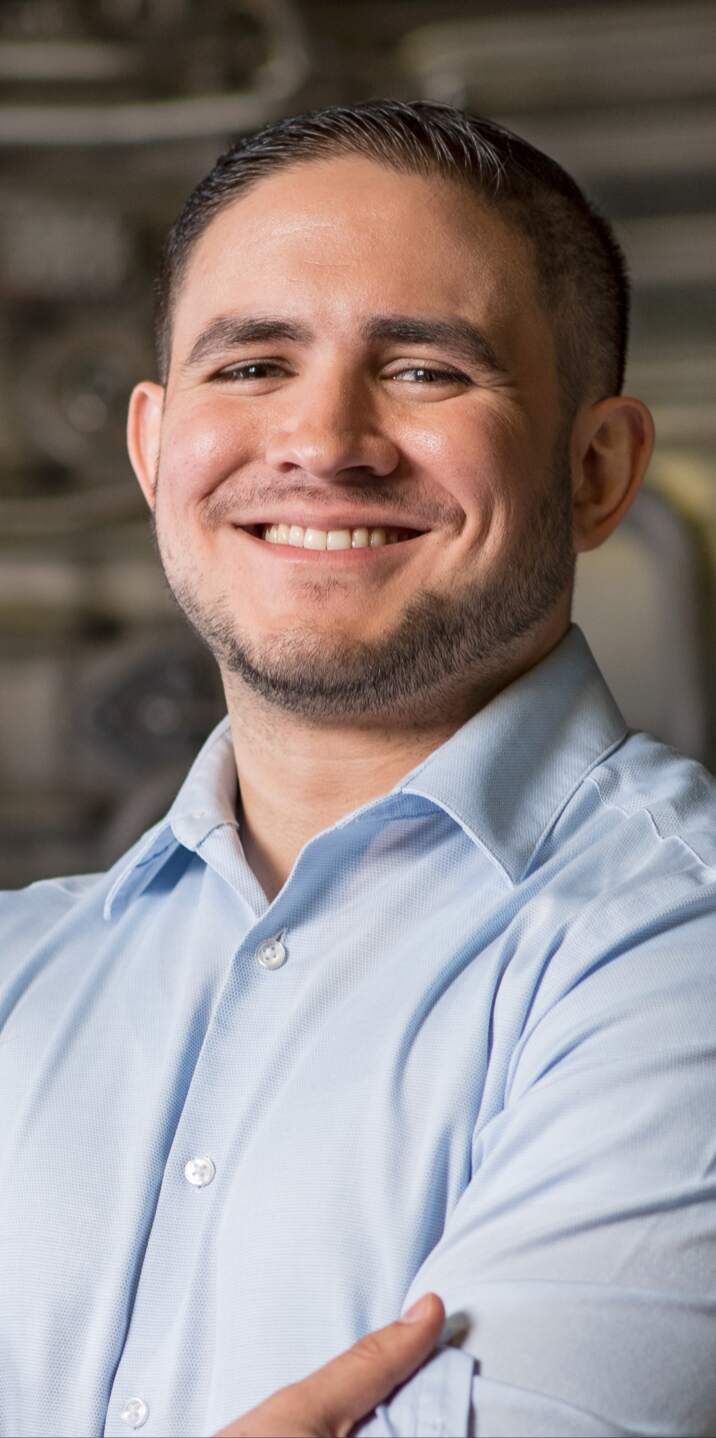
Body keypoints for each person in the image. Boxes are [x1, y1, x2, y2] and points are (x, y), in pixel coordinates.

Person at [1, 98, 715, 1438]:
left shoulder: (683, 949)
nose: (324, 441)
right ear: (155, 450)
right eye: (253, 364)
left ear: (600, 466)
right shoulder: (18, 978)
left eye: (428, 370)